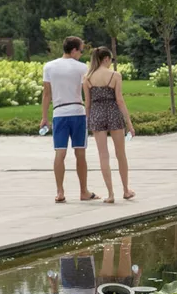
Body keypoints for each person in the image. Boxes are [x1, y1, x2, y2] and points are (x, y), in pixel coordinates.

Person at [40, 36, 93, 203]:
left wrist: (44, 117)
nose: (81, 54)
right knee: (80, 153)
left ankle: (60, 191)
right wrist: (90, 112)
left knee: (60, 152)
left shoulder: (49, 66)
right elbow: (88, 93)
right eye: (81, 50)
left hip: (59, 113)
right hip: (78, 112)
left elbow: (46, 94)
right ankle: (83, 191)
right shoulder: (82, 68)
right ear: (74, 50)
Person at [82, 46, 136, 203]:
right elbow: (119, 100)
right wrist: (129, 123)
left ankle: (110, 194)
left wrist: (88, 121)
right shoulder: (115, 75)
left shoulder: (87, 78)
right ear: (106, 58)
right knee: (120, 154)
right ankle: (126, 190)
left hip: (97, 114)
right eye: (111, 59)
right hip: (113, 113)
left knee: (103, 155)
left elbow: (87, 103)